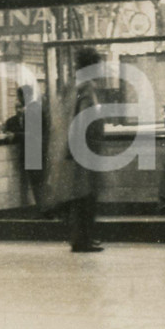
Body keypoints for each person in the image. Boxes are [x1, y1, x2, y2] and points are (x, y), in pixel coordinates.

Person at [42, 47, 106, 253]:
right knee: (85, 197)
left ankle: (83, 237)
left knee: (81, 196)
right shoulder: (86, 88)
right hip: (84, 151)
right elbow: (85, 120)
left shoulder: (74, 86)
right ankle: (82, 239)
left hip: (74, 150)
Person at [4, 85, 45, 208]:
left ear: (23, 96)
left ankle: (43, 211)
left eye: (19, 97)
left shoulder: (31, 111)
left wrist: (15, 135)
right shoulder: (37, 108)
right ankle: (44, 210)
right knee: (40, 184)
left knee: (37, 185)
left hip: (34, 152)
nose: (19, 100)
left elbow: (33, 135)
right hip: (40, 151)